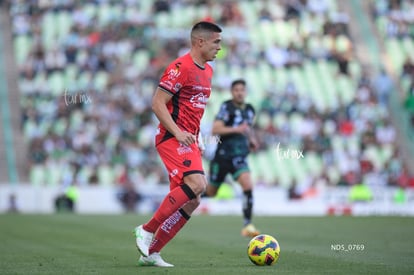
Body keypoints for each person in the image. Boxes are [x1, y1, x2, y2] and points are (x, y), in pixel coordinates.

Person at [133, 21, 222, 267]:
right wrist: (179, 132)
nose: (220, 48)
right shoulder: (180, 67)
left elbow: (194, 109)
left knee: (192, 200)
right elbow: (157, 103)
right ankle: (147, 229)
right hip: (171, 137)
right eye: (216, 42)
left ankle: (151, 253)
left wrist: (197, 136)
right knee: (197, 183)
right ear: (200, 42)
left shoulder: (208, 71)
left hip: (189, 138)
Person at [204, 79, 260, 237]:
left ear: (246, 92)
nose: (239, 92)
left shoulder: (250, 110)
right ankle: (186, 202)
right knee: (211, 192)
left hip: (239, 155)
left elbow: (247, 129)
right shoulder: (226, 107)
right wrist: (237, 129)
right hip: (223, 156)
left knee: (248, 185)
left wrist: (252, 140)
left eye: (242, 89)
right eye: (236, 90)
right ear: (232, 92)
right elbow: (215, 129)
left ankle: (247, 224)